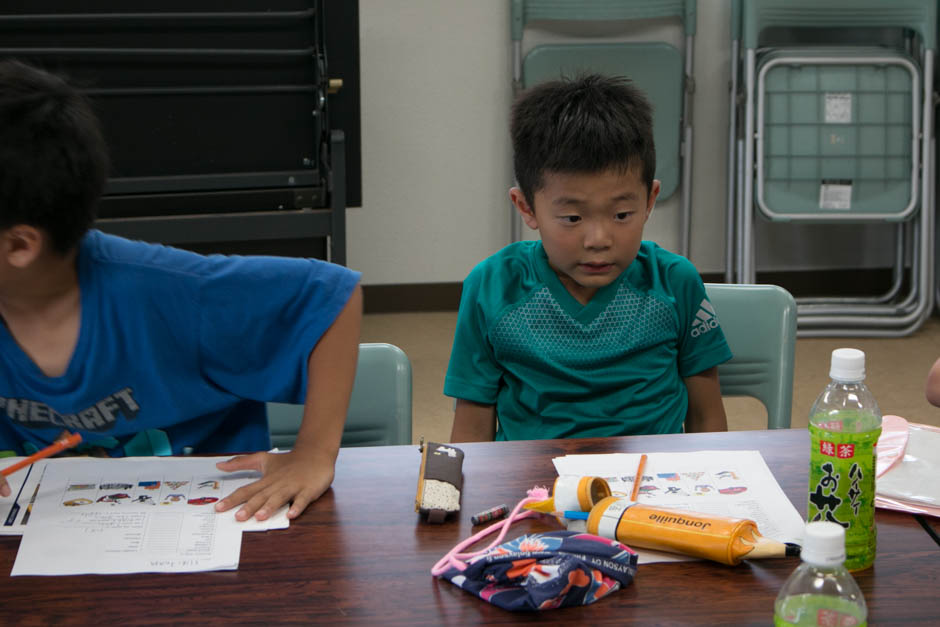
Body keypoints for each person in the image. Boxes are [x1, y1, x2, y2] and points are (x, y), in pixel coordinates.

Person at [0, 59, 362, 522]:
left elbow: (333, 295)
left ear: (19, 245)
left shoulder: (171, 291)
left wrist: (312, 454)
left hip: (208, 531)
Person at [445, 74, 731, 442]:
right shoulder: (493, 286)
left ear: (649, 200)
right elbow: (473, 419)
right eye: (572, 218)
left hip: (652, 483)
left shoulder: (674, 281)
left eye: (622, 215)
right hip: (534, 488)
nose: (599, 240)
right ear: (526, 206)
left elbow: (706, 415)